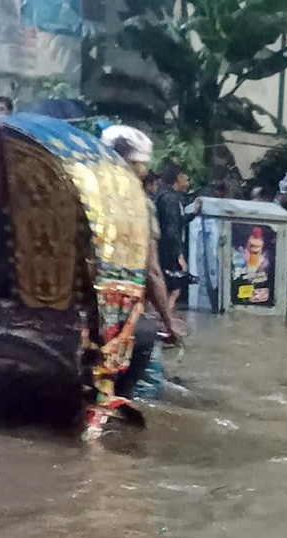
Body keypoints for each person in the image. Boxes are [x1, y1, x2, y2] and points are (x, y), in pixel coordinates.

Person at [99, 125, 182, 397]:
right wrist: (169, 322)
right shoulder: (138, 202)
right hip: (116, 312)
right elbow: (152, 271)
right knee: (149, 365)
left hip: (68, 303)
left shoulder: (76, 185)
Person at [154, 161, 196, 308]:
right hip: (169, 250)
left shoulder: (167, 196)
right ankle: (165, 323)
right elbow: (172, 229)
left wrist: (193, 213)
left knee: (167, 287)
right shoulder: (170, 199)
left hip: (164, 247)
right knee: (174, 290)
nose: (188, 182)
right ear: (178, 178)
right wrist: (179, 256)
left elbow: (176, 222)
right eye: (187, 178)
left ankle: (163, 321)